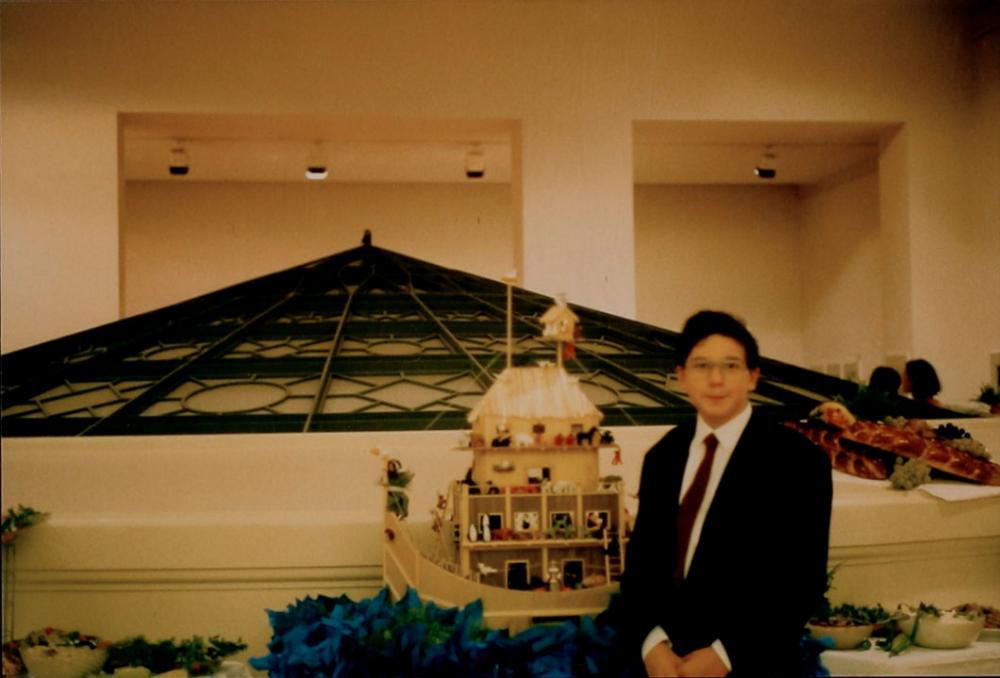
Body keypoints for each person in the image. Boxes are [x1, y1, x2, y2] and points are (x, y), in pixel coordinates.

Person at [622, 311, 832, 677]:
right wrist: (651, 645)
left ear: (753, 377)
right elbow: (642, 567)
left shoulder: (797, 460)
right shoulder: (663, 456)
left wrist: (725, 655)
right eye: (701, 365)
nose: (716, 379)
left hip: (754, 663)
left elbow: (802, 579)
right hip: (663, 665)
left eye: (731, 366)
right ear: (681, 376)